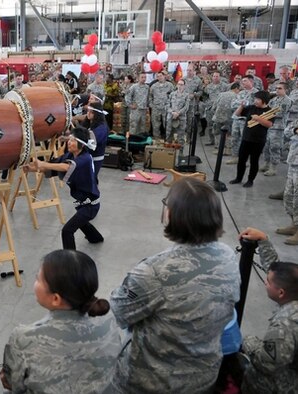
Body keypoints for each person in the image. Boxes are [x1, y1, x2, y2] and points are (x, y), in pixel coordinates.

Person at [109, 178, 240, 393]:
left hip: (152, 383)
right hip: (204, 376)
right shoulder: (227, 256)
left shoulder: (154, 271)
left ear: (171, 214)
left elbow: (120, 311)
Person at [0, 249, 121, 393]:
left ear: (56, 299)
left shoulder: (24, 338)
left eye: (38, 279)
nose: (35, 282)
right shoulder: (108, 322)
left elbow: (13, 384)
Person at [236, 227, 298, 393]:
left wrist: (248, 342)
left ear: (281, 292)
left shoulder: (286, 325)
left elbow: (267, 363)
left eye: (268, 282)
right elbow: (277, 272)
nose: (265, 283)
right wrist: (263, 240)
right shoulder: (293, 289)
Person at [25, 127, 103, 250]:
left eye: (72, 140)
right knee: (81, 221)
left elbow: (66, 167)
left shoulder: (85, 159)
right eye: (69, 139)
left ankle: (70, 259)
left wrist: (43, 164)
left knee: (67, 231)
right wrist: (31, 168)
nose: (69, 142)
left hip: (90, 206)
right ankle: (96, 238)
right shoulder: (70, 155)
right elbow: (54, 165)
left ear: (81, 144)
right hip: (82, 203)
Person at [229, 90, 272, 188]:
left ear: (264, 100)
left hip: (258, 140)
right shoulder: (251, 108)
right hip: (246, 138)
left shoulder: (269, 111)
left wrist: (259, 119)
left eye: (258, 99)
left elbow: (269, 124)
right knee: (241, 160)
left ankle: (250, 180)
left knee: (254, 161)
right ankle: (238, 178)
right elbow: (237, 114)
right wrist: (241, 106)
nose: (255, 101)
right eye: (255, 99)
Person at [275, 119, 298, 245]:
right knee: (289, 197)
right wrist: (295, 130)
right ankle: (294, 225)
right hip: (293, 163)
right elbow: (287, 131)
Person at [262, 82, 292, 176]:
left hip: (278, 128)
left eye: (280, 88)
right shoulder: (274, 99)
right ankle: (266, 164)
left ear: (285, 90)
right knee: (266, 146)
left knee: (274, 147)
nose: (277, 90)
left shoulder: (287, 100)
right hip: (269, 126)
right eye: (276, 88)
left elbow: (280, 113)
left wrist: (266, 115)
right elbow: (266, 108)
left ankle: (273, 168)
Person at [227, 75, 258, 164]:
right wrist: (242, 105)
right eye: (242, 81)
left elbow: (254, 107)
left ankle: (244, 160)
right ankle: (235, 157)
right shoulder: (241, 93)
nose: (242, 83)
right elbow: (233, 104)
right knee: (234, 138)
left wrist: (244, 105)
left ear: (251, 82)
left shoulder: (256, 93)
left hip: (247, 120)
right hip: (237, 119)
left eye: (245, 81)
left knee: (245, 140)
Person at [84, 101, 109, 179]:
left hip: (95, 159)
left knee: (90, 180)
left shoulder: (102, 128)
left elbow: (93, 141)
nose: (88, 113)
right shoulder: (89, 123)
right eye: (88, 111)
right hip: (87, 157)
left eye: (91, 112)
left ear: (96, 114)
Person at [203, 71, 229, 145]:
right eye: (214, 76)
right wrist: (207, 104)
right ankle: (211, 140)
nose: (215, 78)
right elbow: (205, 95)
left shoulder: (225, 86)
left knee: (218, 125)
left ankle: (219, 143)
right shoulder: (208, 86)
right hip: (210, 108)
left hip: (219, 109)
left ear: (220, 77)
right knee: (210, 125)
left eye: (217, 76)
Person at [149, 71, 174, 139]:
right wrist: (152, 105)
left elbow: (173, 96)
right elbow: (150, 96)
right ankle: (157, 140)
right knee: (155, 125)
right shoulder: (153, 86)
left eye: (160, 76)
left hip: (166, 108)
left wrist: (171, 106)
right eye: (158, 76)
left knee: (167, 124)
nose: (159, 77)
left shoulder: (170, 85)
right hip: (156, 108)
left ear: (164, 76)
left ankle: (168, 139)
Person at [166, 79, 190, 146]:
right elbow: (167, 105)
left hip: (181, 118)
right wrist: (172, 112)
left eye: (181, 85)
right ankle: (169, 152)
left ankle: (181, 152)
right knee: (169, 134)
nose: (180, 86)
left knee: (181, 136)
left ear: (184, 86)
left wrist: (178, 113)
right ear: (176, 85)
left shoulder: (186, 95)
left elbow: (186, 107)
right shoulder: (172, 94)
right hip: (171, 117)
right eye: (179, 84)